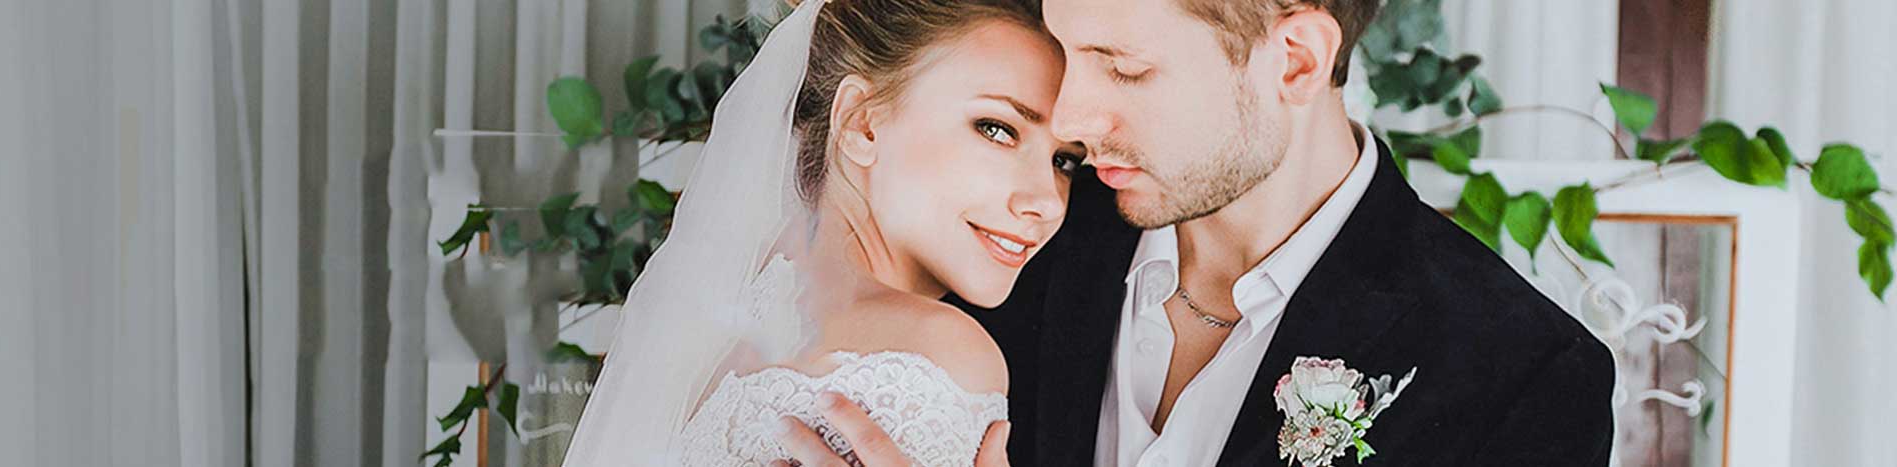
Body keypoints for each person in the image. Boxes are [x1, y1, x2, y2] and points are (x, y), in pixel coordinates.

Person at [788, 0, 1618, 466]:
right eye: (1067, 54)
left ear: (1295, 60)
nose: (1070, 117)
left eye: (1124, 68)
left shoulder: (1524, 377)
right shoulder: (1006, 242)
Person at [560, 0, 1081, 465]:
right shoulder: (938, 354)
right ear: (861, 123)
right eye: (997, 129)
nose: (1046, 201)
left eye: (1064, 161)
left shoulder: (714, 337)